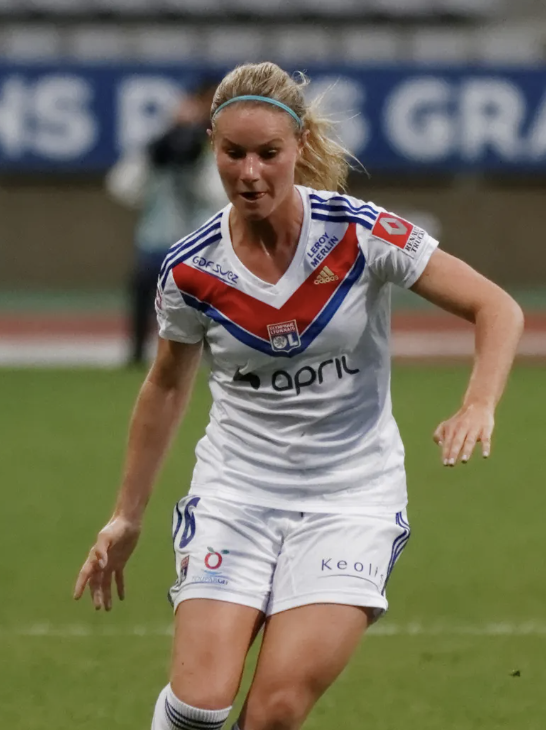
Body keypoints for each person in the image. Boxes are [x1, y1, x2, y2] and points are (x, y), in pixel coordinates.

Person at [75, 62, 524, 730]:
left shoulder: (362, 233)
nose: (250, 172)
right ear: (212, 148)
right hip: (236, 494)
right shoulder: (191, 267)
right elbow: (165, 384)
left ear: (300, 146)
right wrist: (126, 516)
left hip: (352, 498)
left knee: (276, 712)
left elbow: (496, 307)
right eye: (234, 154)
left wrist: (479, 403)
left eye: (268, 153)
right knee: (199, 706)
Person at [106, 78, 226, 366]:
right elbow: (121, 187)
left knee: (206, 300)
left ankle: (212, 354)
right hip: (156, 237)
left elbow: (217, 195)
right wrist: (155, 153)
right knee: (143, 290)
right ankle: (137, 352)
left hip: (198, 239)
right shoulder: (159, 145)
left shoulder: (214, 148)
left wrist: (197, 159)